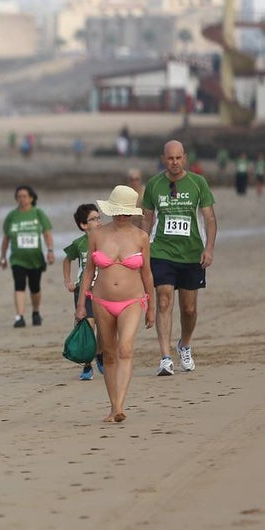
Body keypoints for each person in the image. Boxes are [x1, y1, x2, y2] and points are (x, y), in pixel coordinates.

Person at [76, 186, 154, 423]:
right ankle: (113, 406)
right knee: (108, 354)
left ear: (131, 212)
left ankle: (120, 405)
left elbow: (147, 274)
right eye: (117, 211)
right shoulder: (97, 236)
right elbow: (88, 272)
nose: (121, 216)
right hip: (101, 300)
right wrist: (81, 305)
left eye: (125, 212)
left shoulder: (141, 237)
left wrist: (151, 307)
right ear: (110, 211)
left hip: (132, 301)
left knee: (125, 348)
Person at [141, 140, 217, 376]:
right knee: (163, 300)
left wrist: (209, 249)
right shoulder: (154, 184)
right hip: (162, 251)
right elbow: (146, 219)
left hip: (192, 253)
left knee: (189, 309)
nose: (174, 162)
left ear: (185, 158)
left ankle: (184, 344)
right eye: (170, 158)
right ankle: (165, 357)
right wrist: (143, 250)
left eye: (178, 158)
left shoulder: (198, 182)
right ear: (164, 159)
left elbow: (210, 219)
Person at [0, 185, 55, 328]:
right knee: (19, 286)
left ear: (31, 198)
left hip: (35, 259)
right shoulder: (12, 216)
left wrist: (50, 251)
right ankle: (20, 316)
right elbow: (6, 238)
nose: (21, 199)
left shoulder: (38, 213)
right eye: (19, 196)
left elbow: (47, 233)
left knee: (35, 287)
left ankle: (36, 312)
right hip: (17, 259)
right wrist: (3, 257)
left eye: (24, 196)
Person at [63, 204, 103, 381]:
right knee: (88, 325)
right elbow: (67, 260)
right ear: (83, 225)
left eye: (99, 218)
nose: (98, 222)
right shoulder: (79, 243)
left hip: (104, 288)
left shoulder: (106, 239)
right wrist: (68, 281)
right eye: (93, 219)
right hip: (83, 290)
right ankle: (87, 365)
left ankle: (100, 354)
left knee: (104, 325)